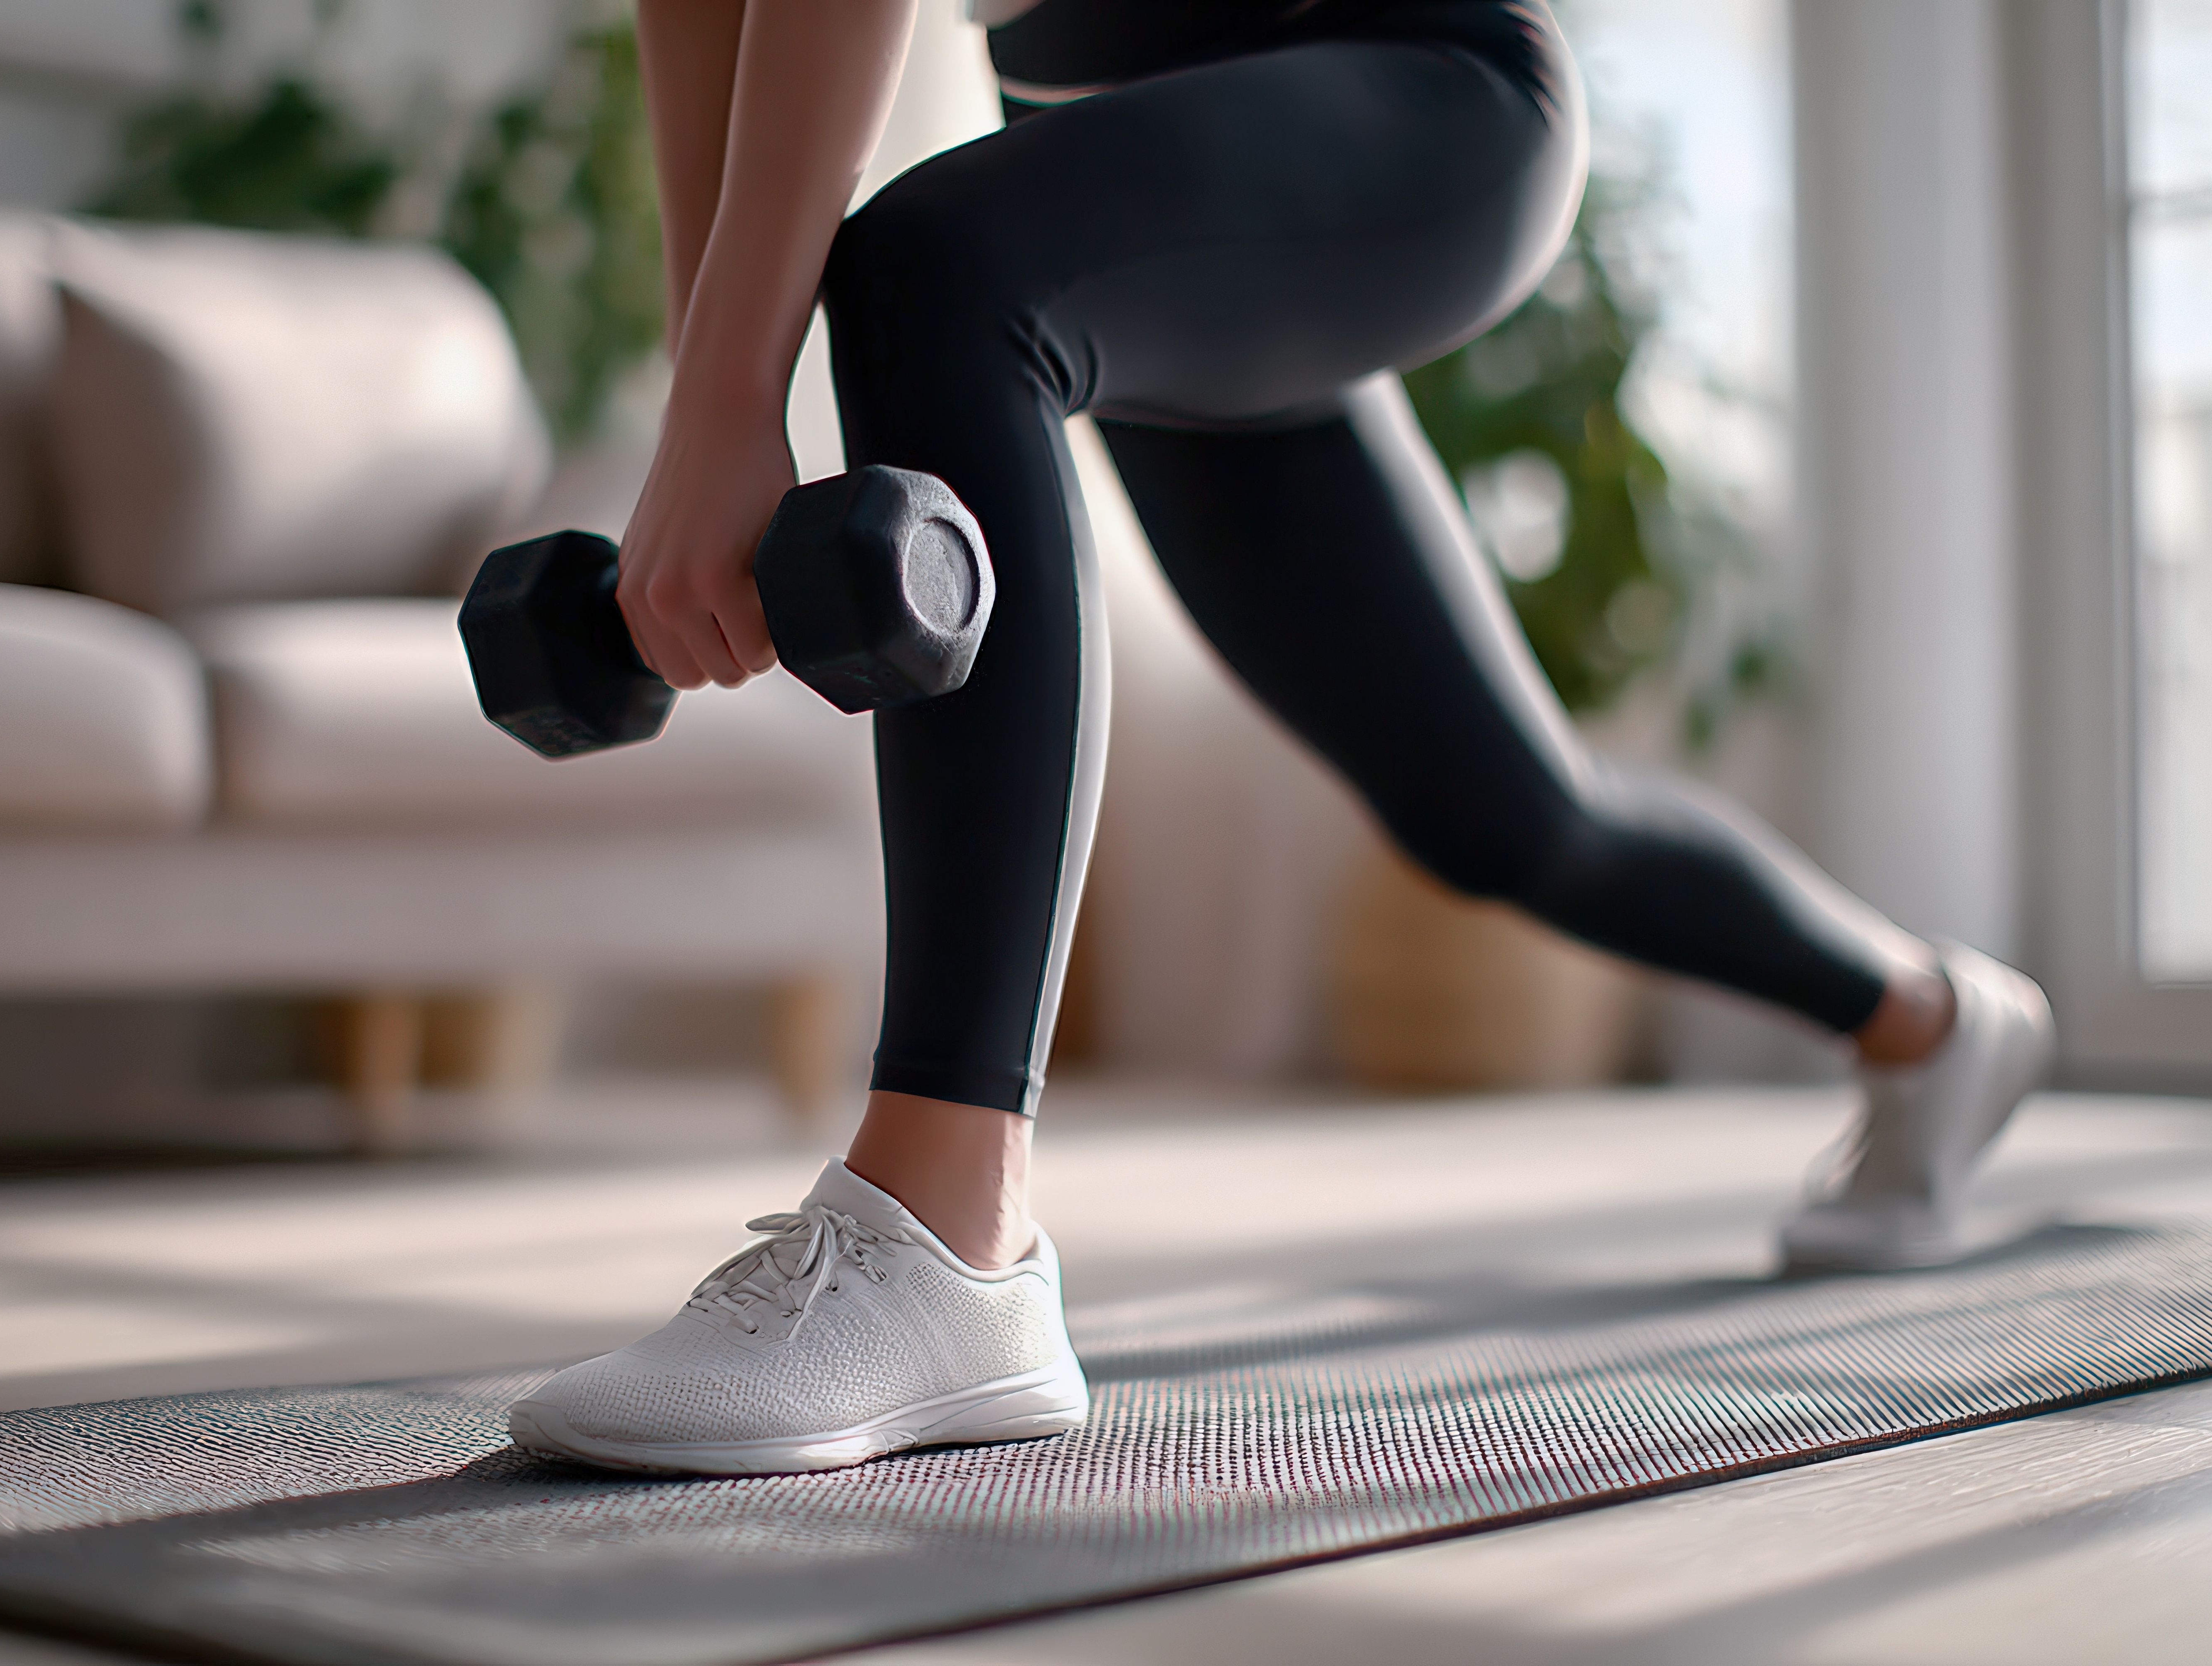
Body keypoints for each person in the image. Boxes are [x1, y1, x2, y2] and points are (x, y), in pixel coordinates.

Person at [506, 0, 2055, 1477]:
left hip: (1423, 97)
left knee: (934, 267)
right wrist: (714, 428)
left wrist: (731, 413)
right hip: (1174, 171)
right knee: (1502, 814)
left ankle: (948, 1238)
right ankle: (1928, 1020)